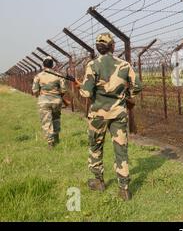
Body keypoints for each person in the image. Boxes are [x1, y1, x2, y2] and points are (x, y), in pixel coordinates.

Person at [76, 33, 142, 201]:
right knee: (121, 150)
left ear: (98, 48)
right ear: (112, 46)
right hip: (119, 114)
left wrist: (81, 86)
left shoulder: (92, 65)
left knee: (95, 147)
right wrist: (124, 95)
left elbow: (85, 92)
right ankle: (124, 189)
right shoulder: (124, 65)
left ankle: (99, 182)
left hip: (98, 115)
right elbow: (137, 88)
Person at [32, 57, 67, 149]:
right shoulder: (59, 75)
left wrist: (40, 96)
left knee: (46, 122)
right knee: (56, 119)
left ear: (43, 65)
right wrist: (58, 96)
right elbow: (63, 90)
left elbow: (35, 90)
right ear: (52, 65)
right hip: (56, 101)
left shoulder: (38, 76)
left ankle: (50, 143)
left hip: (43, 101)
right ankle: (56, 138)